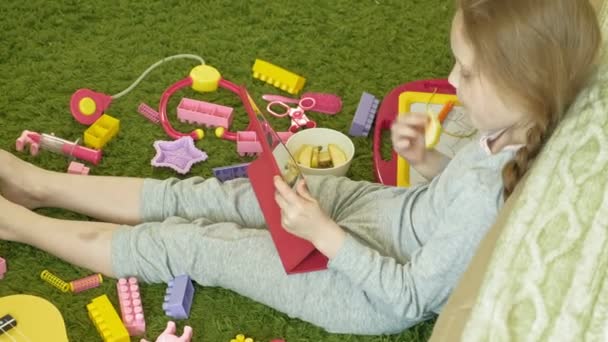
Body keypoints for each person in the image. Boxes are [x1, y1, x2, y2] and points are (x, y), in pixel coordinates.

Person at [0, 0, 600, 335]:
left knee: (196, 246)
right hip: (372, 214)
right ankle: (38, 183)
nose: (449, 82)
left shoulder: (492, 195)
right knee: (217, 196)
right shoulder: (509, 131)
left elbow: (408, 295)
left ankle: (19, 224)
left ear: (524, 86)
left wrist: (324, 235)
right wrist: (425, 160)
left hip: (362, 287)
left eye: (466, 73)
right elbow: (449, 200)